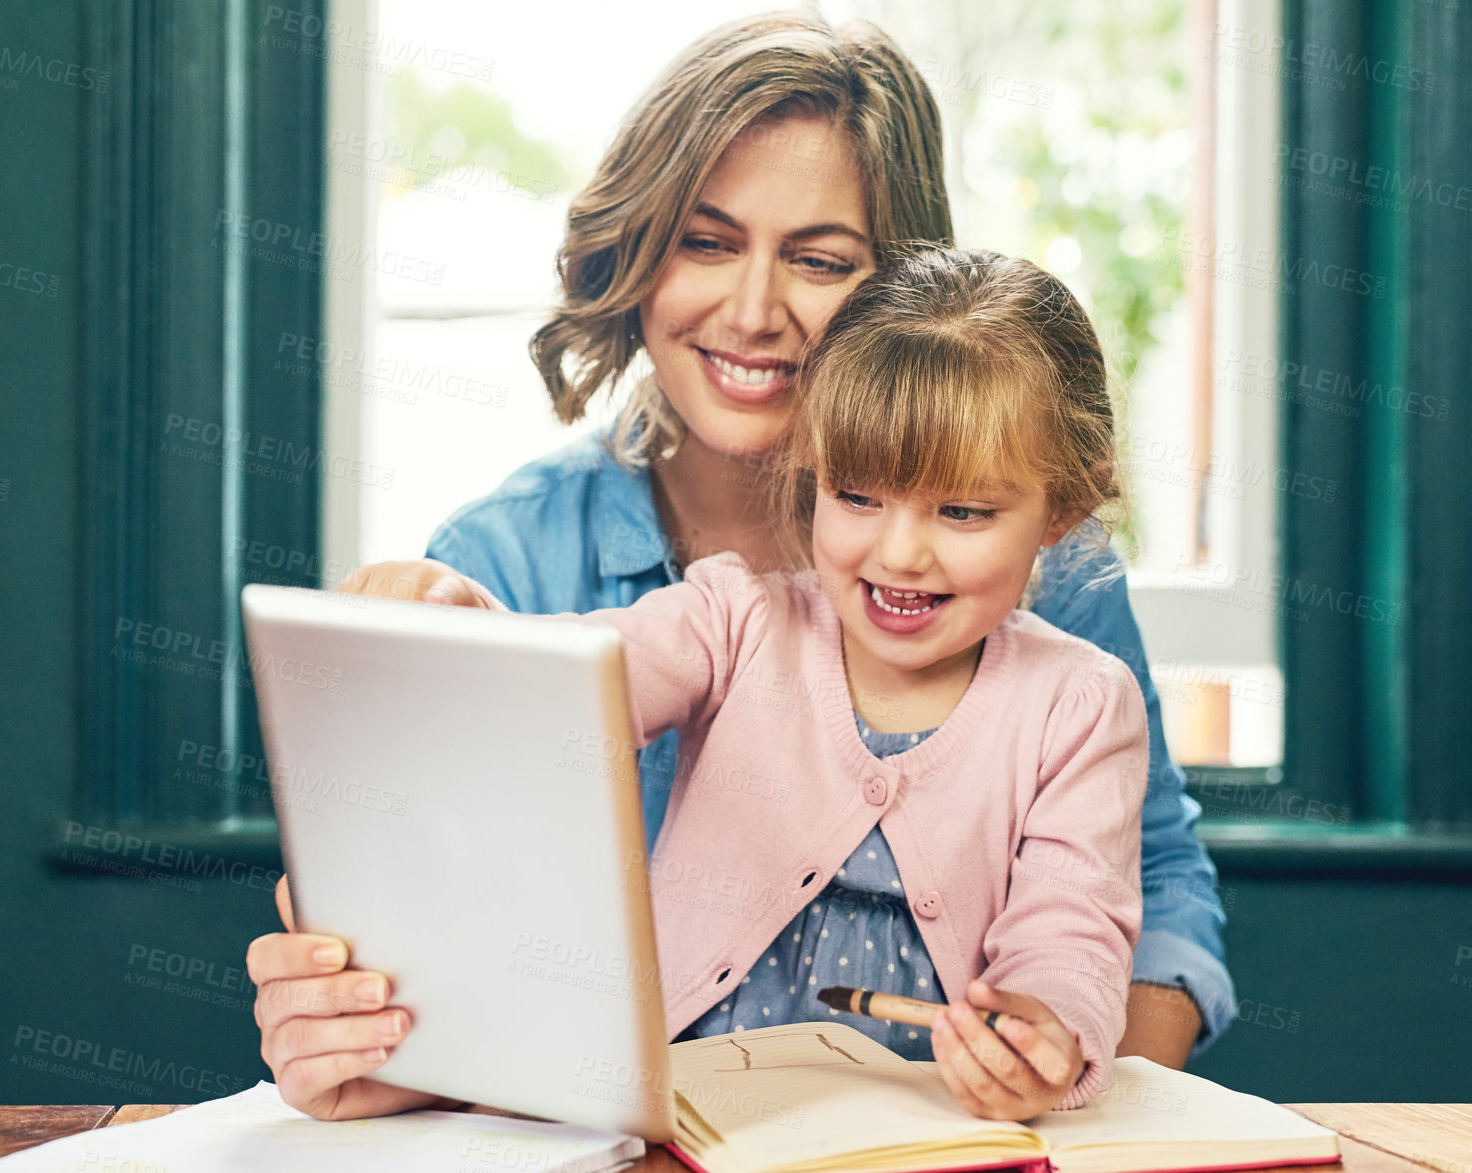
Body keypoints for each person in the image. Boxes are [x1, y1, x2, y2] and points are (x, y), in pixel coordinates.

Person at [247, 11, 1230, 1122]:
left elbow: (1135, 894)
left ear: (907, 301)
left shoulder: (1054, 582)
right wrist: (366, 1014)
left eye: (819, 261)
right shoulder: (514, 553)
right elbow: (438, 910)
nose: (755, 312)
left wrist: (1062, 1075)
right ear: (637, 255)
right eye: (706, 242)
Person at [392, 247, 1147, 1118]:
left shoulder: (1082, 703)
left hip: (925, 1136)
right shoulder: (735, 617)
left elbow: (1074, 926)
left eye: (963, 511)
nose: (899, 553)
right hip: (685, 1121)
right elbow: (571, 679)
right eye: (858, 496)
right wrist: (461, 616)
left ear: (1066, 507)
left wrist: (1044, 1029)